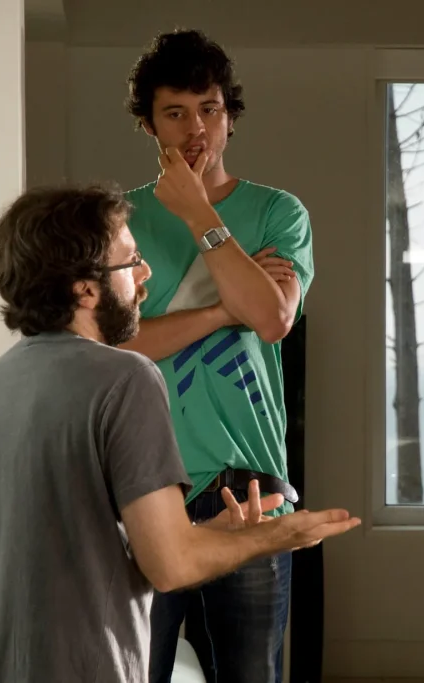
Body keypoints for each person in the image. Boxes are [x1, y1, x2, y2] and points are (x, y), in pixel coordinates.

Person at [0, 184, 358, 683]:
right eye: (130, 262)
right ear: (85, 288)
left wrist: (210, 533)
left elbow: (80, 546)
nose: (145, 275)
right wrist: (278, 535)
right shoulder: (126, 378)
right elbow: (171, 567)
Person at [119, 29, 312, 683]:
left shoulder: (278, 212)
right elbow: (115, 347)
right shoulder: (119, 220)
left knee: (251, 674)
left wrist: (201, 214)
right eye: (175, 113)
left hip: (252, 491)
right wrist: (223, 307)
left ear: (229, 115)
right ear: (149, 125)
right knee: (134, 670)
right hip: (145, 485)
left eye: (209, 108)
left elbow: (271, 318)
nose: (195, 128)